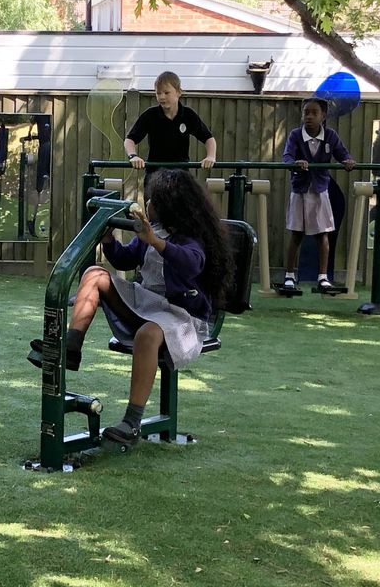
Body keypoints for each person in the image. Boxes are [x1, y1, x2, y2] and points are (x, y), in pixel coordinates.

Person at [32, 169, 235, 447]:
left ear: (169, 206)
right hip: (147, 304)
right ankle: (71, 347)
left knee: (148, 335)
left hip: (181, 317)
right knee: (94, 274)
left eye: (151, 200)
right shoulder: (152, 232)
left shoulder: (192, 238)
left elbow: (191, 263)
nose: (146, 205)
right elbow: (125, 260)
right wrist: (108, 241)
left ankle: (131, 422)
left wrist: (156, 241)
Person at [281, 98, 356, 292]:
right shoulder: (296, 135)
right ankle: (289, 275)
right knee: (296, 233)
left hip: (320, 190)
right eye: (306, 112)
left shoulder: (330, 136)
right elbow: (287, 157)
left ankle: (322, 277)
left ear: (323, 116)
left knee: (323, 234)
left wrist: (347, 161)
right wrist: (295, 162)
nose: (309, 117)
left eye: (314, 113)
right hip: (300, 189)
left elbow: (342, 154)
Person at [124, 72, 216, 192]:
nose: (162, 97)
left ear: (179, 92)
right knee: (154, 209)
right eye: (158, 93)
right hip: (155, 175)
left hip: (181, 175)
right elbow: (129, 139)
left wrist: (211, 156)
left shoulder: (188, 115)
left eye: (166, 93)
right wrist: (133, 156)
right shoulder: (150, 115)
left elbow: (209, 139)